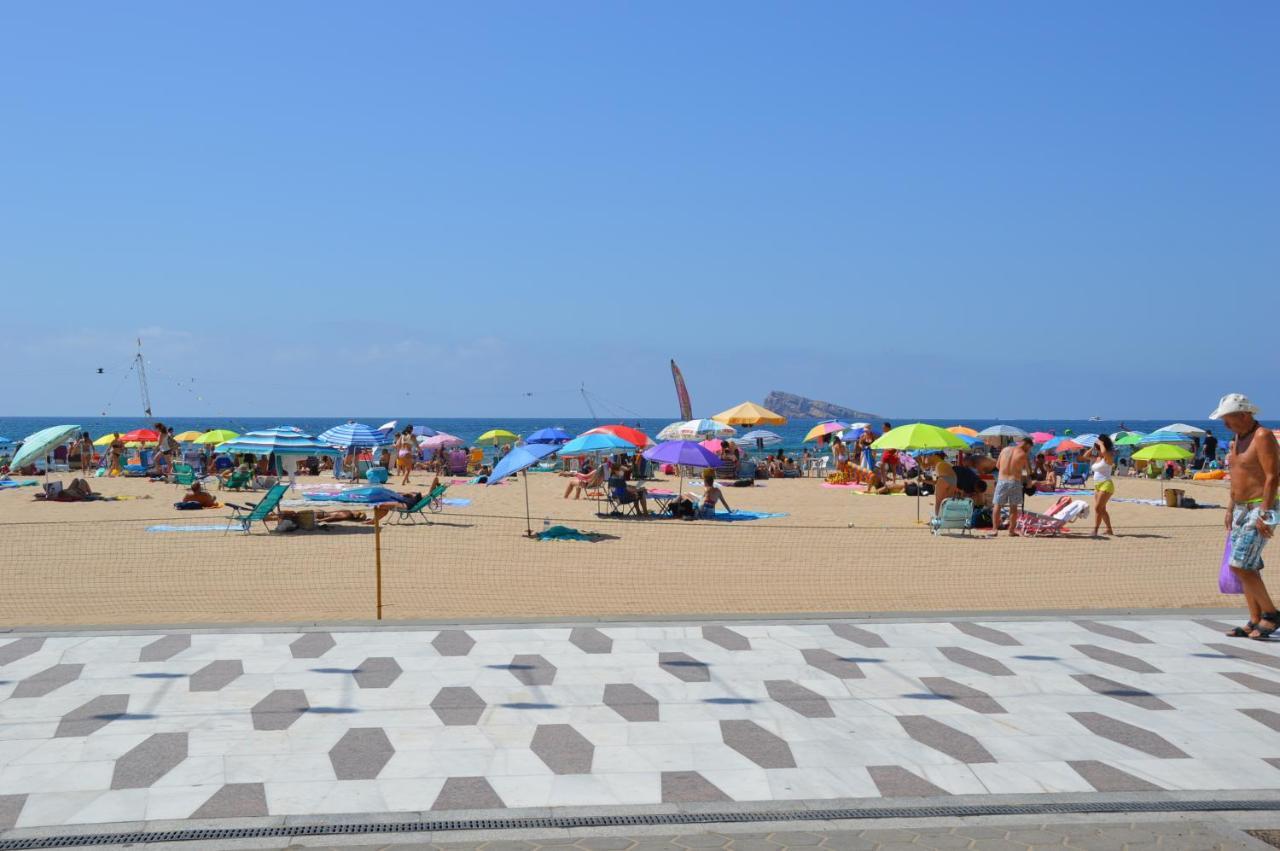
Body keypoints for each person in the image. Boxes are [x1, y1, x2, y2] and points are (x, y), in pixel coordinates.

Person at [1212, 394, 1280, 640]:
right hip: (1240, 507)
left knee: (1239, 564)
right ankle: (1255, 618)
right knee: (1248, 566)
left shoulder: (1262, 436)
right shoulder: (1237, 437)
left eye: (1227, 419)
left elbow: (1273, 476)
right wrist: (1230, 507)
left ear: (1244, 414)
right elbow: (1238, 474)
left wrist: (1264, 512)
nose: (1225, 424)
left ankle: (1271, 614)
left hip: (1260, 506)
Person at [991, 437, 1033, 537]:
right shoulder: (1023, 454)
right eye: (1030, 447)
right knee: (1013, 507)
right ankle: (1011, 531)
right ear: (1027, 444)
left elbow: (997, 466)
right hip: (1015, 481)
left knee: (997, 505)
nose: (1030, 450)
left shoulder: (1004, 450)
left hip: (1002, 481)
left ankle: (994, 530)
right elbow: (1029, 471)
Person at [1089, 434, 1117, 537]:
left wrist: (1100, 442)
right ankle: (1109, 530)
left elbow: (1105, 452)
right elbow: (1085, 457)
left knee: (1097, 508)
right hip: (1097, 486)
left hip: (1106, 484)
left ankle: (1095, 530)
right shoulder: (1099, 458)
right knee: (1102, 509)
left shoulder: (1108, 456)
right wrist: (1093, 447)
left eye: (1099, 444)